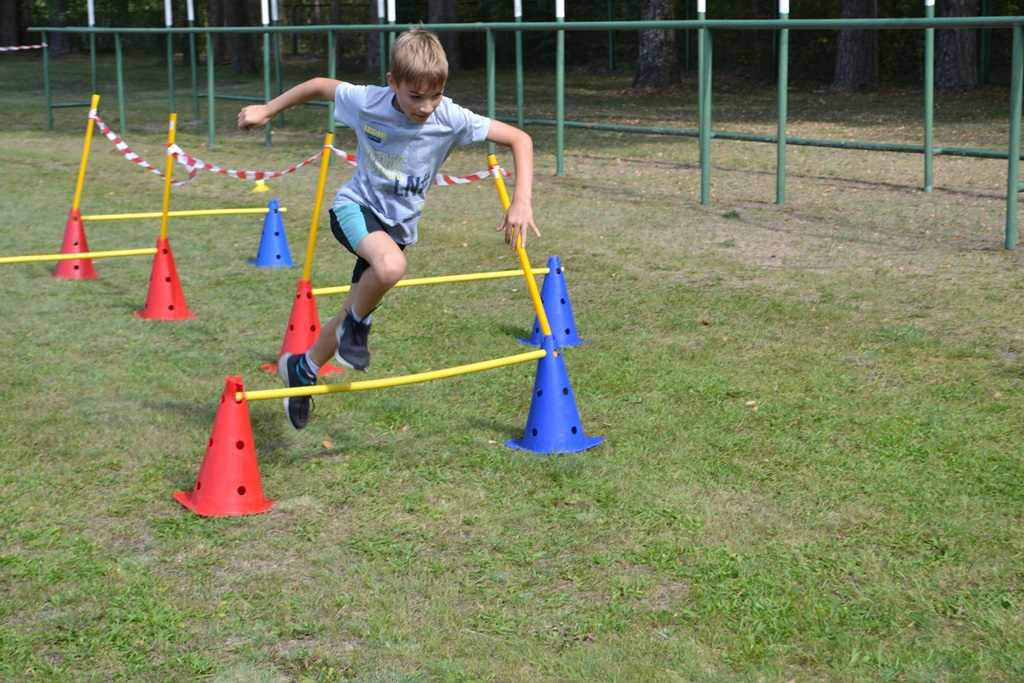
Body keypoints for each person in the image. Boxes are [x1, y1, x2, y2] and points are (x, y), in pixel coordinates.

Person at [237, 27, 539, 430]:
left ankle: (303, 367)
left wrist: (522, 200)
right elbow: (318, 85)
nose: (426, 106)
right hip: (355, 208)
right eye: (415, 96)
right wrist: (268, 110)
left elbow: (520, 139)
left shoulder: (451, 117)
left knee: (354, 304)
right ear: (392, 82)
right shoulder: (368, 101)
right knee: (391, 268)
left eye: (435, 95)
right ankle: (358, 328)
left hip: (397, 229)